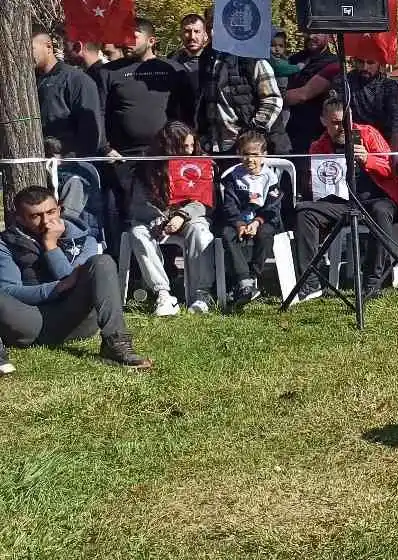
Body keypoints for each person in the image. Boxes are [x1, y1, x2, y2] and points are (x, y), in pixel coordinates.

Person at [0, 187, 151, 374]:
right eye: (35, 216)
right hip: (31, 323)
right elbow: (9, 291)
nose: (46, 221)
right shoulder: (6, 244)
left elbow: (73, 281)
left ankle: (115, 343)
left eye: (51, 212)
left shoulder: (83, 240)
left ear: (60, 209)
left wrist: (51, 246)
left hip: (77, 321)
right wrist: (56, 288)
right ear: (20, 219)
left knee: (102, 262)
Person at [295, 99, 398, 298]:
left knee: (381, 212)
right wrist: (316, 181)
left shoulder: (367, 134)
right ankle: (312, 281)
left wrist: (368, 159)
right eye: (335, 123)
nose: (342, 128)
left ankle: (372, 282)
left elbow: (391, 169)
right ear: (324, 122)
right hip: (342, 203)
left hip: (376, 197)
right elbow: (312, 186)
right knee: (305, 212)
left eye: (345, 122)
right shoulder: (318, 146)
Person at [126, 121, 217, 315]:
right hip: (154, 218)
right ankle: (163, 294)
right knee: (137, 233)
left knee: (201, 233)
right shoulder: (147, 167)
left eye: (192, 146)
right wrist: (159, 218)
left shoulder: (200, 164)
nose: (191, 151)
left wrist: (181, 215)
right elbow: (138, 204)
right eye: (185, 147)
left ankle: (201, 294)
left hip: (191, 216)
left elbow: (204, 202)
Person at [170, 13, 286, 155]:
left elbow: (272, 100)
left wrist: (252, 134)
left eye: (217, 27)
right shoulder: (207, 59)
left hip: (253, 149)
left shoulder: (251, 58)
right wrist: (204, 139)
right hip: (217, 147)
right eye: (210, 27)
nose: (213, 32)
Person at [96, 17, 191, 158]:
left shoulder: (173, 69)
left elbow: (187, 109)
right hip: (123, 156)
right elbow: (99, 112)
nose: (126, 41)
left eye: (133, 37)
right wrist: (105, 148)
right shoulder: (108, 72)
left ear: (151, 41)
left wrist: (186, 142)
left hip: (167, 152)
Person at [216, 131, 283, 311]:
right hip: (238, 221)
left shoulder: (271, 177)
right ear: (239, 154)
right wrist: (239, 223)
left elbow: (272, 206)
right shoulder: (233, 176)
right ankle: (243, 279)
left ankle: (253, 276)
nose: (250, 159)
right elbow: (228, 205)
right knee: (227, 234)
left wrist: (257, 222)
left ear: (264, 156)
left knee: (266, 234)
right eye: (246, 154)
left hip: (262, 220)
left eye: (255, 155)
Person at [33, 26, 104, 160]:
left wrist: (67, 156)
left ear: (48, 47)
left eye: (30, 49)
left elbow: (90, 133)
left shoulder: (77, 80)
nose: (24, 55)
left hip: (68, 166)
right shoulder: (30, 82)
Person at [282, 33, 343, 154]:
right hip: (286, 131)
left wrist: (269, 98)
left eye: (317, 32)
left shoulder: (334, 64)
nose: (310, 36)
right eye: (308, 31)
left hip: (312, 135)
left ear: (329, 36)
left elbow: (302, 95)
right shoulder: (294, 59)